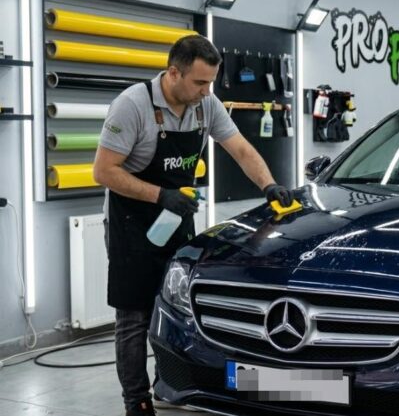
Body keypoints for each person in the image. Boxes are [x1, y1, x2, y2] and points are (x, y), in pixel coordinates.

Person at [92, 35, 294, 416]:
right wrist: (159, 195)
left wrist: (268, 185)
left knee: (176, 308)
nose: (207, 91)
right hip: (130, 224)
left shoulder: (205, 105)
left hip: (176, 218)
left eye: (211, 83)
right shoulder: (132, 106)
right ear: (173, 73)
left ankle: (171, 384)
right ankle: (136, 400)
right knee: (134, 316)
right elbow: (103, 171)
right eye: (200, 82)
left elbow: (240, 149)